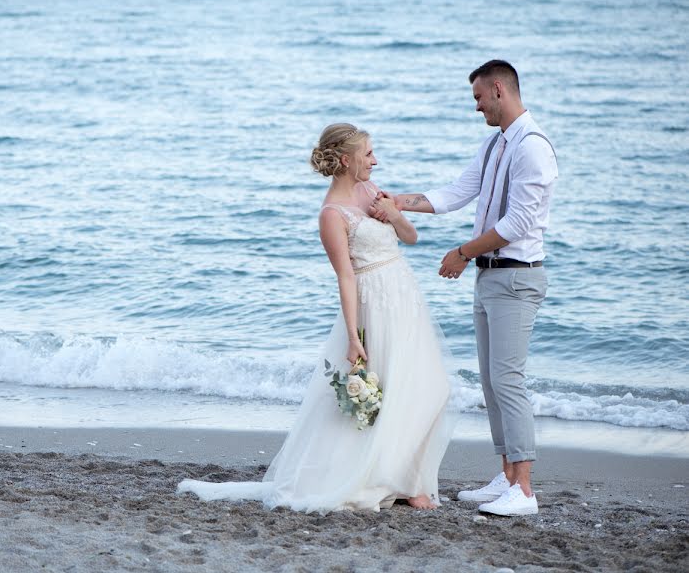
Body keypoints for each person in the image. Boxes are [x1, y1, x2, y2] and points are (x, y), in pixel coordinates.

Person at [177, 123, 454, 513]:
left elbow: (411, 238)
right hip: (373, 302)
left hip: (405, 296)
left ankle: (409, 478)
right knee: (393, 390)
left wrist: (393, 211)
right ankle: (405, 484)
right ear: (346, 160)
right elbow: (345, 277)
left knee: (430, 387)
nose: (375, 160)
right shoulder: (331, 215)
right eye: (368, 154)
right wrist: (355, 337)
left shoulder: (373, 191)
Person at [371, 60, 557, 516]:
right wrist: (400, 202)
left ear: (498, 89)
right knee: (493, 384)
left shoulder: (533, 148)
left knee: (508, 381)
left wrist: (463, 252)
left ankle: (525, 492)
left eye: (478, 98)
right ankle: (507, 476)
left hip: (516, 275)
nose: (476, 108)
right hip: (490, 277)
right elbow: (456, 193)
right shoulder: (495, 144)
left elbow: (518, 224)